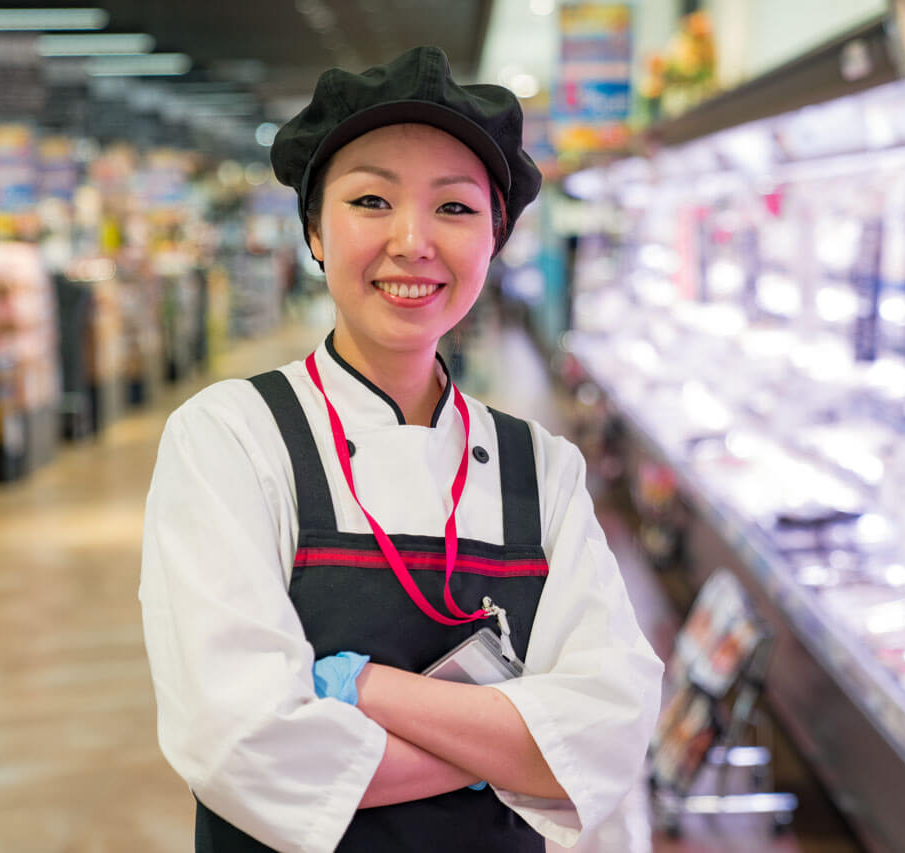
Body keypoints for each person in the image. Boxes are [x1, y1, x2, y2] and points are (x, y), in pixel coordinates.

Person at [140, 46, 662, 852]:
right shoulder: (232, 438)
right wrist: (513, 746)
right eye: (372, 200)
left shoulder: (544, 468)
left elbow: (611, 734)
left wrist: (366, 689)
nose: (413, 241)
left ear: (496, 238)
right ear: (315, 229)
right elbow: (241, 744)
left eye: (454, 208)